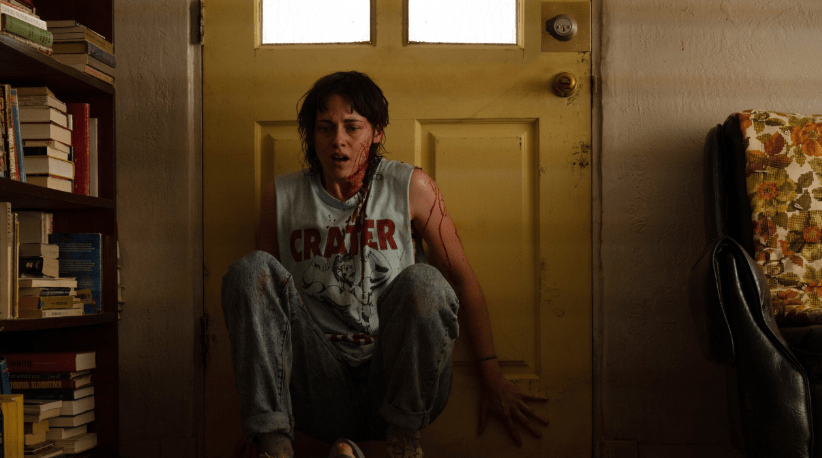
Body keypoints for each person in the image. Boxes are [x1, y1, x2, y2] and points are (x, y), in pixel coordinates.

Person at [221, 71, 548, 458]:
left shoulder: (411, 187)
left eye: (352, 127)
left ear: (377, 131)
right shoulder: (280, 197)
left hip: (399, 382)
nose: (338, 140)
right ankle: (273, 446)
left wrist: (491, 374)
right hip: (316, 388)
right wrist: (261, 421)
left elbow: (460, 279)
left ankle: (405, 445)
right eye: (324, 128)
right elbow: (266, 310)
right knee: (250, 271)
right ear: (311, 134)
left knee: (426, 282)